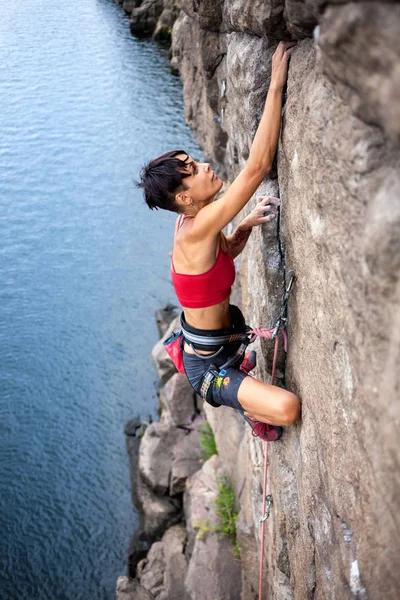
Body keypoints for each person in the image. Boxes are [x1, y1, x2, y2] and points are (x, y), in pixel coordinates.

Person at [137, 41, 301, 441]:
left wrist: (243, 228)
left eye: (195, 160)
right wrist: (277, 83)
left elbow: (224, 254)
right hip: (210, 367)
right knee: (288, 408)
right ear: (184, 198)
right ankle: (246, 405)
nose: (206, 165)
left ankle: (245, 384)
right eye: (193, 169)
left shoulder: (197, 227)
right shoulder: (198, 228)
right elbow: (257, 167)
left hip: (219, 337)